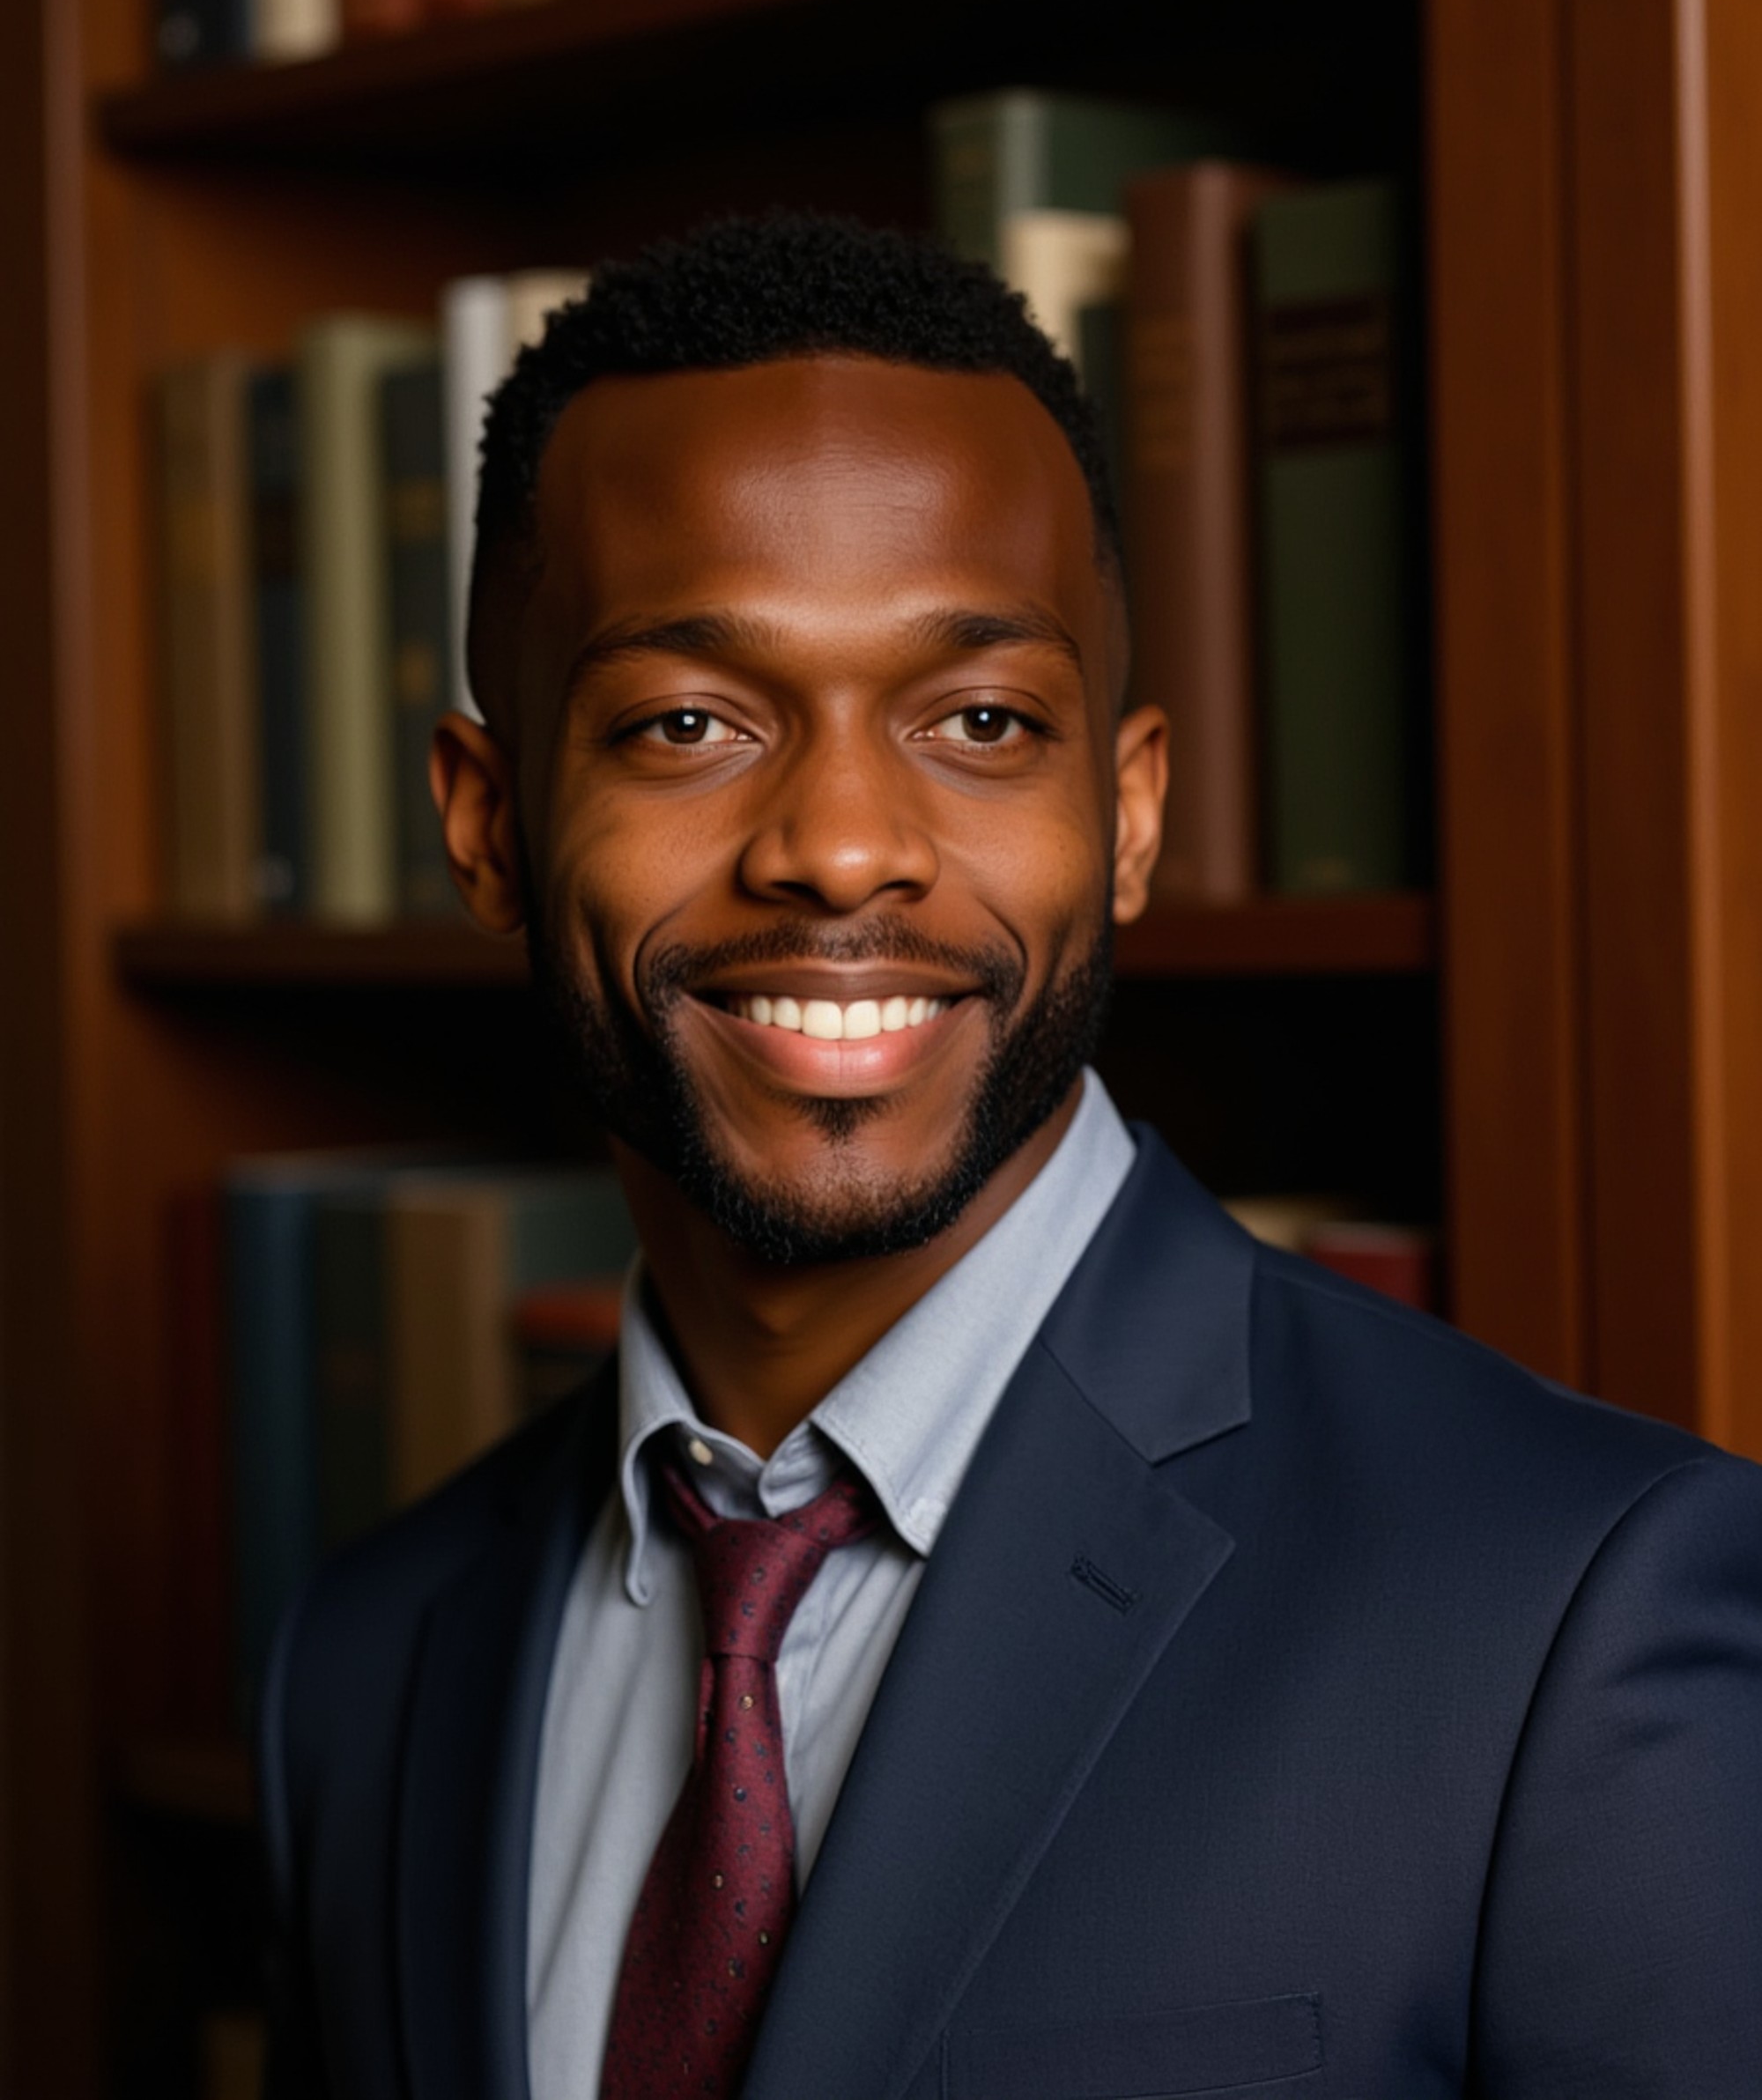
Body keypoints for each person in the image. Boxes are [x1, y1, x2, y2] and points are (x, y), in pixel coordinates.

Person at [260, 212, 1762, 2100]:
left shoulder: (1572, 1613)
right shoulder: (367, 1657)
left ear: (1125, 812)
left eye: (979, 720)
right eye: (688, 722)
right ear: (485, 825)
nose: (840, 844)